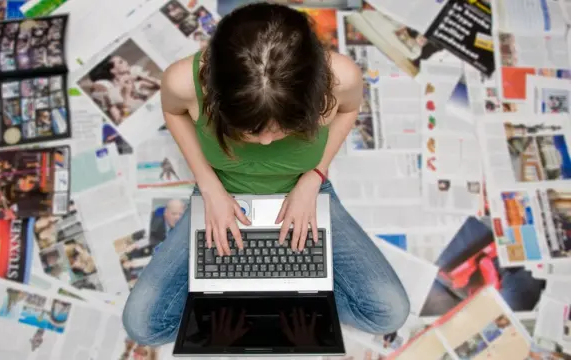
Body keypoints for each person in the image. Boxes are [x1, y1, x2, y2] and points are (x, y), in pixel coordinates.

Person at [123, 2, 410, 346]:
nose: (267, 142)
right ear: (218, 98)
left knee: (389, 312)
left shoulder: (341, 77)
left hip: (307, 191)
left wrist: (313, 178)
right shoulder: (182, 80)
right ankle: (268, 294)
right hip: (222, 192)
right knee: (142, 327)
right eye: (249, 131)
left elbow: (349, 110)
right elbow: (174, 113)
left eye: (283, 129)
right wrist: (210, 187)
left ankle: (268, 294)